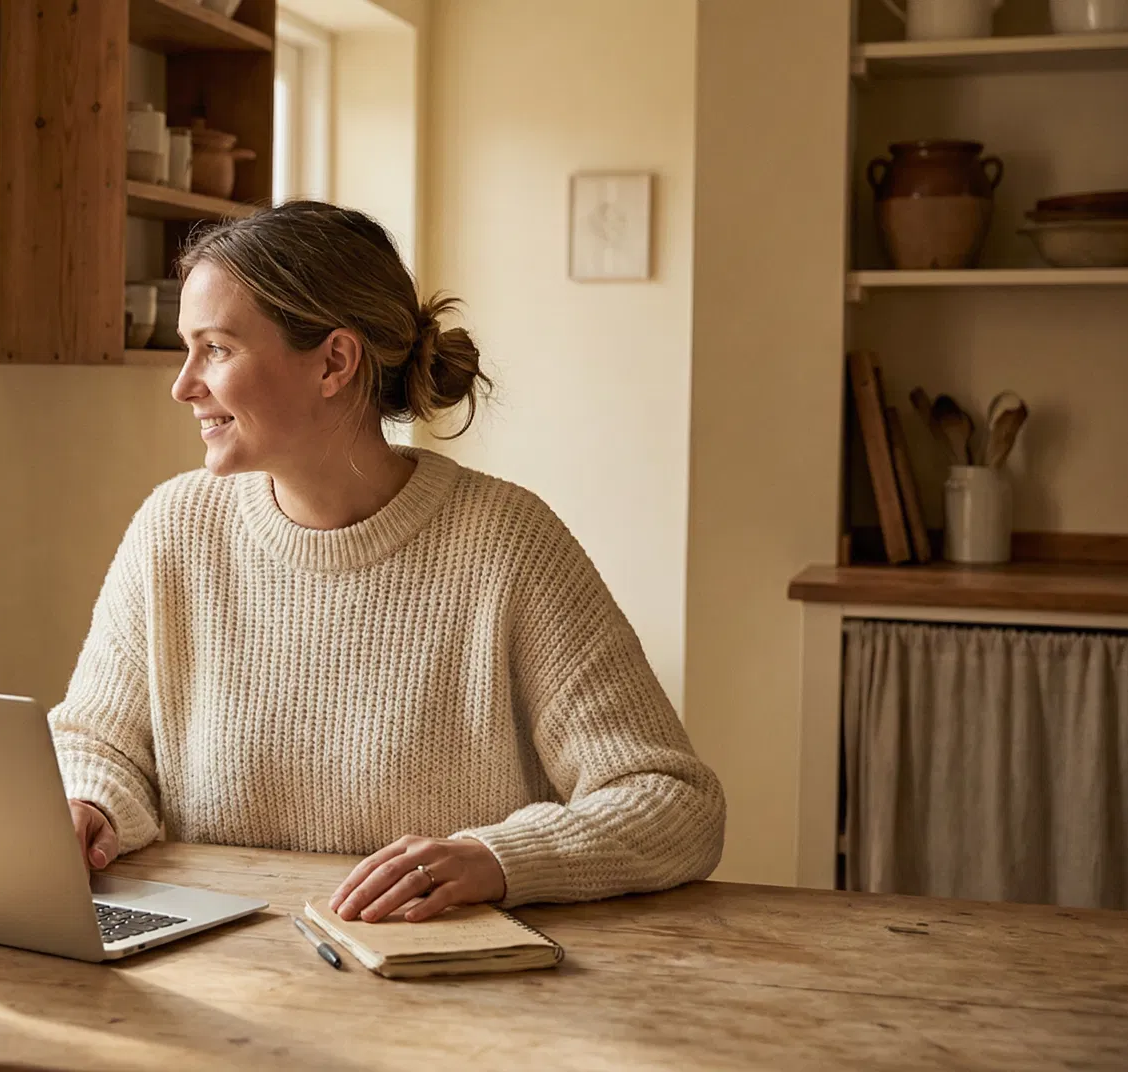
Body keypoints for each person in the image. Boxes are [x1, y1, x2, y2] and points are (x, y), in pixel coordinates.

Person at [51, 200, 724, 924]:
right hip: (217, 982)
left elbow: (673, 802)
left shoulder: (507, 542)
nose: (183, 384)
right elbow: (97, 743)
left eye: (215, 348)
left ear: (335, 362)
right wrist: (89, 804)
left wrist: (497, 860)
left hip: (439, 995)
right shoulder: (174, 528)